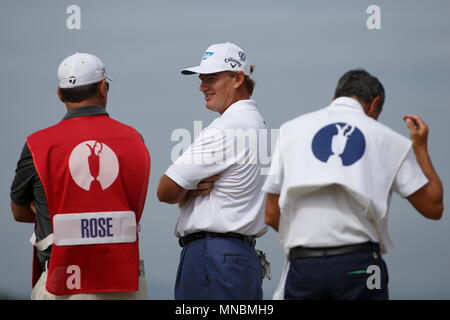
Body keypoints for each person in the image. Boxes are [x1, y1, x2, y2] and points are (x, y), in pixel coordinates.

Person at [263, 69, 443, 300]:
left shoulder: (290, 131)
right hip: (361, 264)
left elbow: (270, 215)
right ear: (374, 104)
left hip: (304, 264)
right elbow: (434, 207)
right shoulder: (389, 140)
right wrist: (420, 148)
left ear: (334, 99)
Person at [10, 52, 151, 300]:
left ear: (59, 94)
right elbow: (134, 204)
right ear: (103, 87)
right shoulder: (133, 138)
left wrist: (51, 210)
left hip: (61, 283)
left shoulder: (37, 144)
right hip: (123, 282)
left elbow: (19, 211)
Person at [157, 42, 270, 300]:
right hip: (241, 256)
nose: (202, 86)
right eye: (201, 78)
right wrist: (189, 191)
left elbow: (165, 190)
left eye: (212, 78)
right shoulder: (260, 125)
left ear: (238, 78)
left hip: (213, 255)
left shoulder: (226, 127)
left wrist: (186, 192)